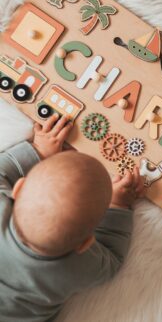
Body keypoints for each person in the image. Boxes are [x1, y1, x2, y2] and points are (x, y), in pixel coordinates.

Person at [0, 113, 144, 322]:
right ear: (85, 243)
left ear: (19, 188)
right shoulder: (78, 266)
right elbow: (112, 260)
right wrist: (119, 204)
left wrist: (37, 150)